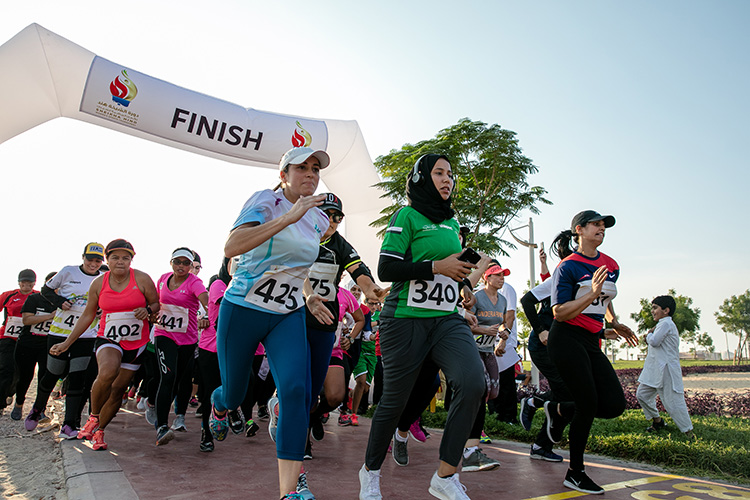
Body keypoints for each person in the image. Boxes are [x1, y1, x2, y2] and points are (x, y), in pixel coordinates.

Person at [359, 153, 485, 500]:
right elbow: (386, 269)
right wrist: (435, 267)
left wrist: (465, 288)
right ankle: (370, 473)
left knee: (474, 382)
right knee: (394, 402)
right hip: (404, 321)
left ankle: (445, 477)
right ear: (421, 178)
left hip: (446, 320)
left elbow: (451, 269)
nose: (447, 179)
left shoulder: (451, 223)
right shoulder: (407, 215)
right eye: (439, 173)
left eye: (450, 174)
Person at [208, 146, 331, 500]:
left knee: (297, 392)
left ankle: (289, 491)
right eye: (301, 168)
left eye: (315, 169)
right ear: (283, 175)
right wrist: (287, 218)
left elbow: (296, 266)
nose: (310, 174)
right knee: (234, 393)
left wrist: (307, 294)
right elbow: (233, 246)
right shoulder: (265, 201)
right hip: (243, 308)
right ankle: (219, 405)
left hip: (286, 313)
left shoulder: (319, 219)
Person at [546, 210, 638, 494]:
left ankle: (558, 409)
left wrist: (614, 322)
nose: (601, 229)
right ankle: (575, 473)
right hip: (566, 338)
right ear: (579, 230)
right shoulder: (568, 266)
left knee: (613, 405)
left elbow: (605, 298)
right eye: (595, 224)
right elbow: (559, 313)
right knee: (587, 403)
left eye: (603, 226)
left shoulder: (612, 264)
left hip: (591, 339)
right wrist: (589, 293)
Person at [50, 239, 160, 451]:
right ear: (107, 260)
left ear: (131, 260)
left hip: (136, 343)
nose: (121, 262)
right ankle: (93, 416)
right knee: (108, 372)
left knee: (118, 389)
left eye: (125, 258)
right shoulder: (99, 283)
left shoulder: (142, 279)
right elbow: (87, 315)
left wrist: (147, 309)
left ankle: (99, 430)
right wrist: (67, 342)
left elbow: (155, 304)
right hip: (108, 338)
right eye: (115, 257)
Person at [29, 243, 105, 438]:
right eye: (90, 259)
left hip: (86, 335)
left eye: (98, 261)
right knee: (53, 372)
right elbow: (45, 291)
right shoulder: (67, 272)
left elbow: (107, 304)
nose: (93, 264)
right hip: (59, 332)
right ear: (83, 257)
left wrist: (100, 310)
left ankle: (69, 424)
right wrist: (58, 302)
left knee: (77, 378)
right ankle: (37, 409)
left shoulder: (104, 279)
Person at [518, 236, 574, 462]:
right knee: (569, 394)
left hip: (568, 345)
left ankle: (541, 440)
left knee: (572, 396)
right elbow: (529, 299)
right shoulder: (560, 279)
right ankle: (536, 405)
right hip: (544, 345)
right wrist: (541, 330)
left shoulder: (586, 282)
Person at [152, 247, 209, 445]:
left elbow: (206, 300)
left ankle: (178, 415)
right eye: (178, 262)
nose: (182, 266)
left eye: (186, 263)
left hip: (187, 339)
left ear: (191, 266)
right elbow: (152, 301)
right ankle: (161, 426)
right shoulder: (162, 279)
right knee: (167, 376)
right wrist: (148, 311)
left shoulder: (195, 282)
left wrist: (209, 314)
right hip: (164, 334)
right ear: (171, 263)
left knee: (180, 379)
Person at [637, 295, 694, 437]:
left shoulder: (666, 324)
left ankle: (688, 432)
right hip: (655, 370)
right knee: (642, 395)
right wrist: (651, 334)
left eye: (655, 308)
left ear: (666, 310)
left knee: (673, 402)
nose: (652, 311)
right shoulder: (663, 324)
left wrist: (647, 336)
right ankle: (657, 421)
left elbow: (655, 341)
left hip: (666, 370)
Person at [18, 272, 58, 430]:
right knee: (24, 377)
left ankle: (39, 409)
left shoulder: (63, 303)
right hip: (27, 344)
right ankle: (19, 403)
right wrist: (50, 316)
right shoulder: (34, 299)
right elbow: (26, 319)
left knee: (44, 377)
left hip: (47, 345)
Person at [0, 269, 38, 418]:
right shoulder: (9, 295)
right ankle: (0, 403)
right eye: (23, 282)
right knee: (5, 368)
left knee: (21, 372)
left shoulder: (37, 297)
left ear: (34, 283)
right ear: (19, 282)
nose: (26, 285)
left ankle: (11, 391)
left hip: (27, 339)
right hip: (7, 337)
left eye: (29, 283)